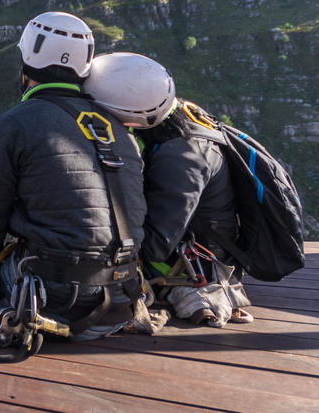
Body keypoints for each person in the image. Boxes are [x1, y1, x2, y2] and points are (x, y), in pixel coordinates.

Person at [0, 11, 148, 348]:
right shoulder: (117, 128)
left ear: (26, 62)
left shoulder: (14, 124)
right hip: (121, 301)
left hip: (55, 302)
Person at [83, 52, 252, 327]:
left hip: (196, 266)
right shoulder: (178, 127)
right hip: (194, 248)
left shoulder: (181, 156)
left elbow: (156, 245)